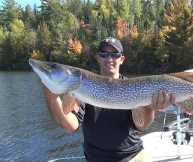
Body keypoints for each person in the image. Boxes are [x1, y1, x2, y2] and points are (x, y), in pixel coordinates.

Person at [43, 37, 176, 162]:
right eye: (104, 54)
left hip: (133, 157)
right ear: (98, 58)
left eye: (115, 54)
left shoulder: (134, 88)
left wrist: (150, 107)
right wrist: (51, 96)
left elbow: (142, 125)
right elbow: (70, 125)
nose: (109, 58)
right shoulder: (83, 88)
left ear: (122, 59)